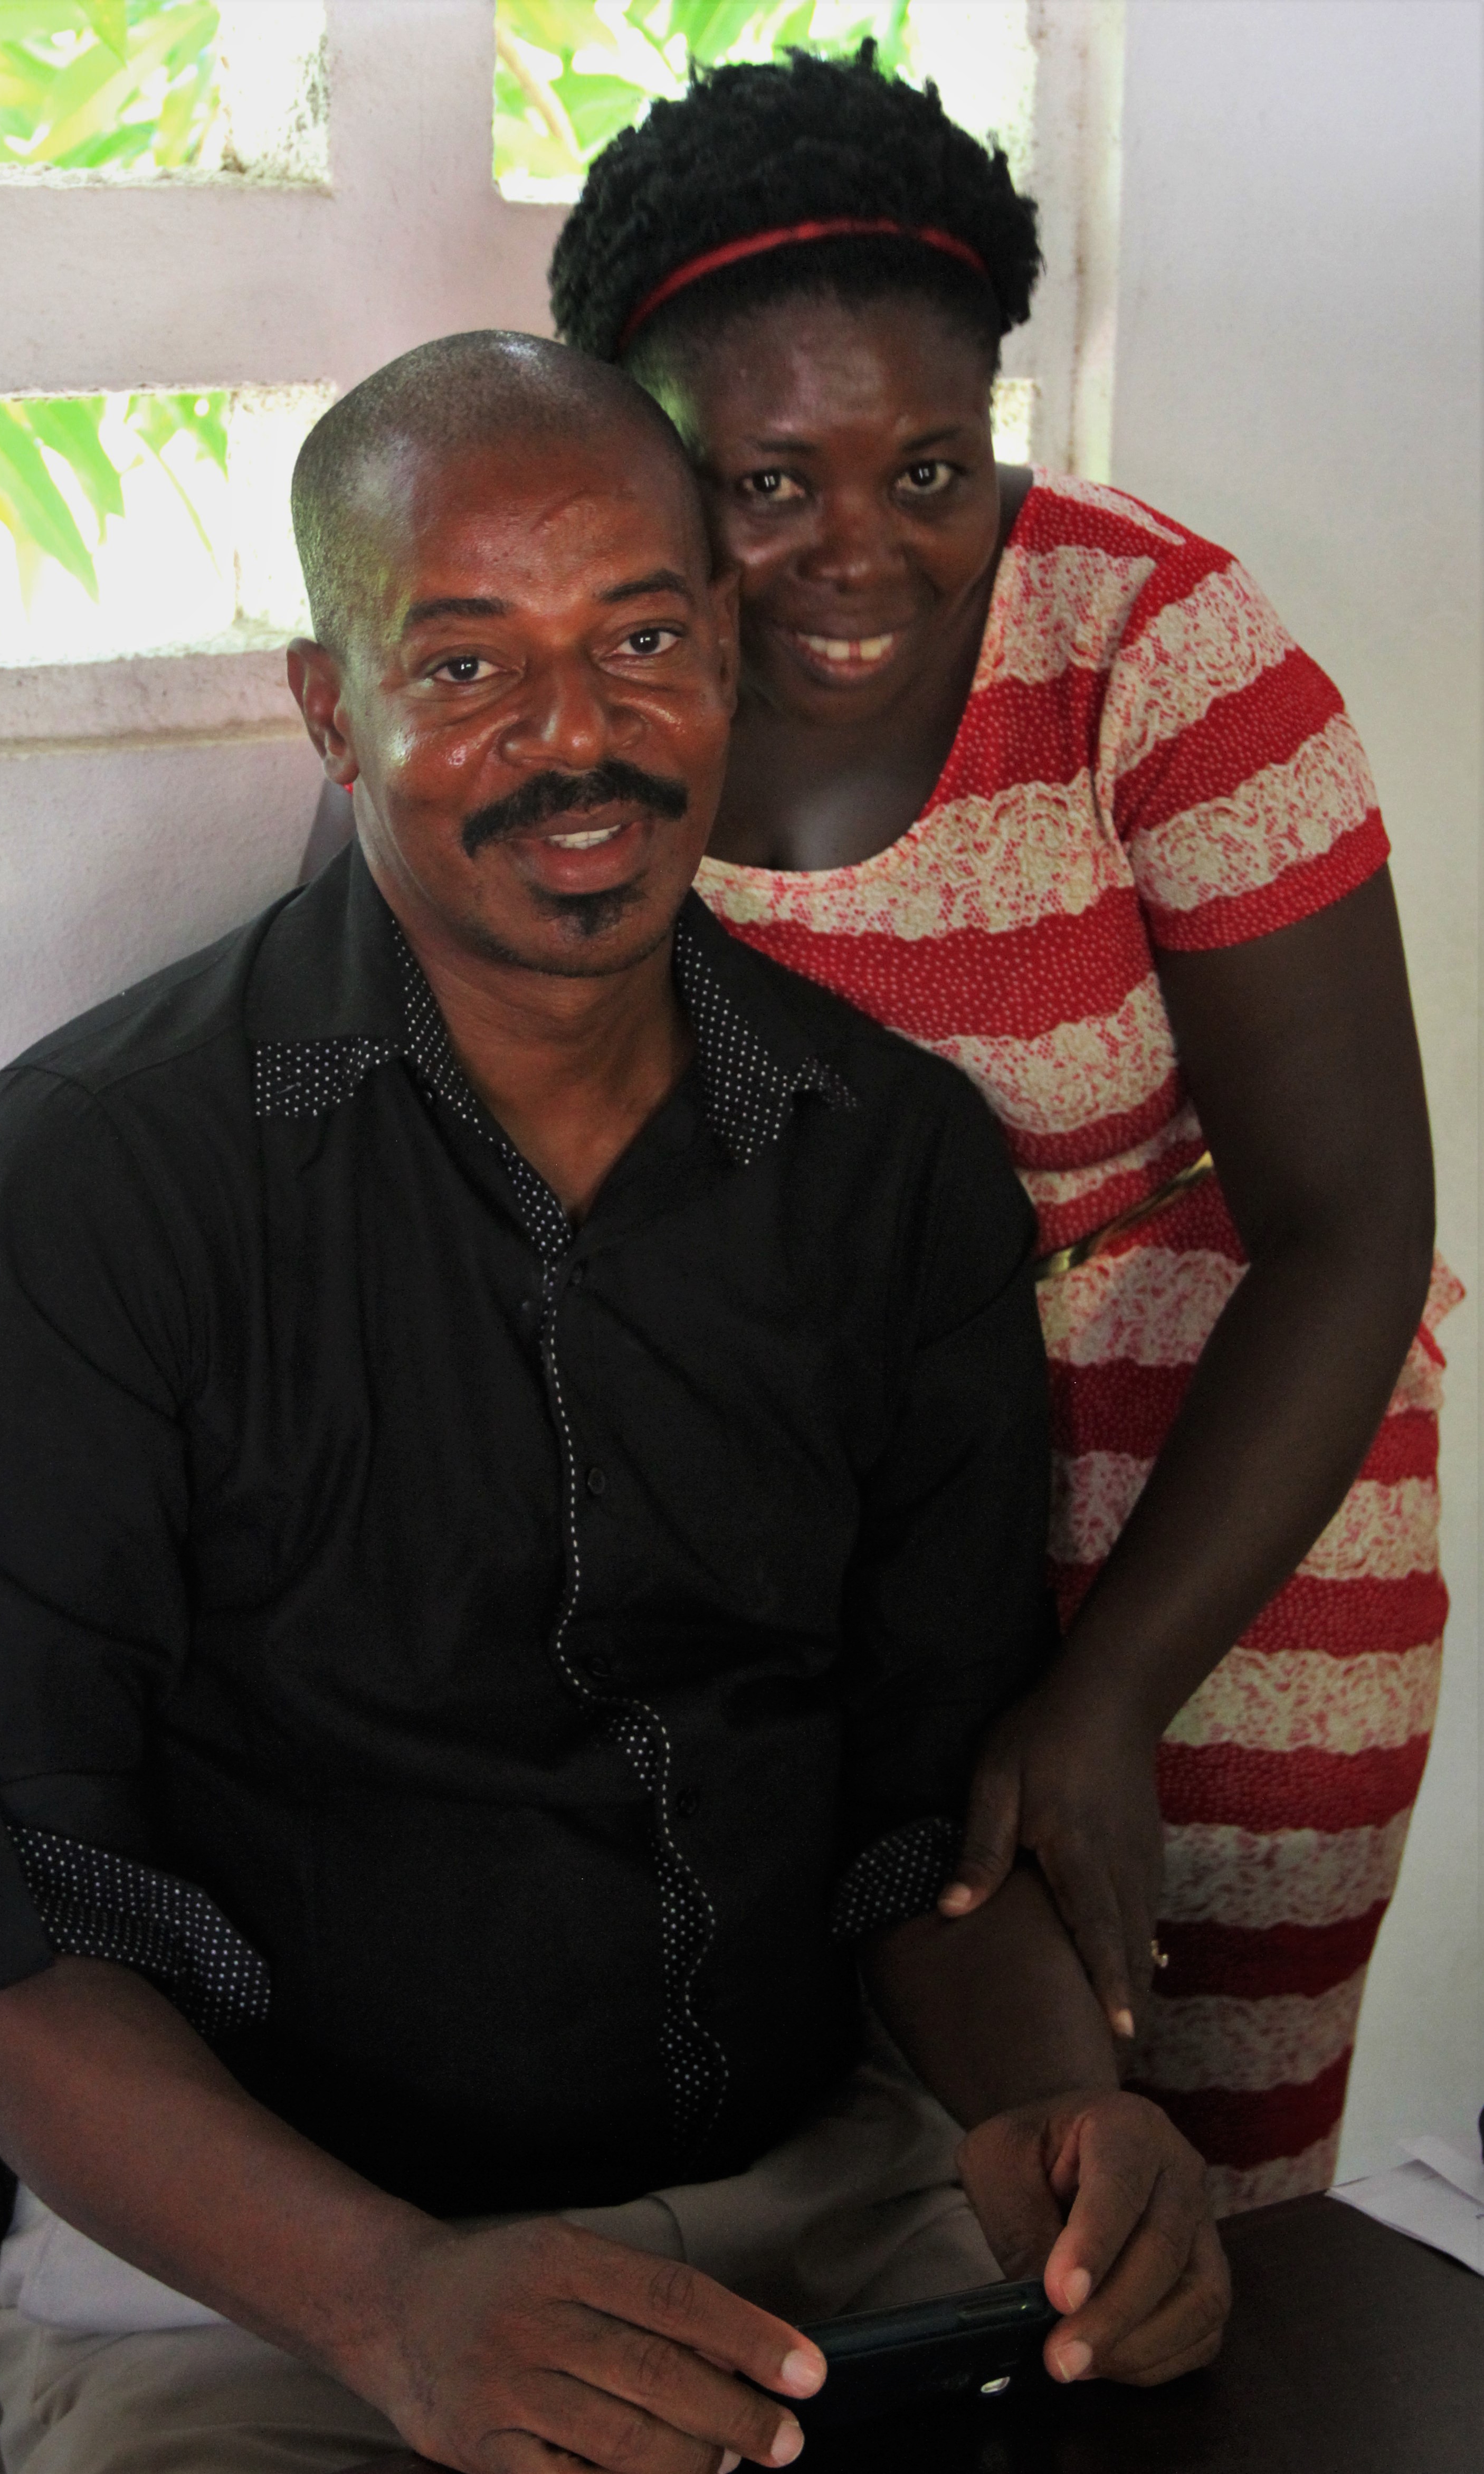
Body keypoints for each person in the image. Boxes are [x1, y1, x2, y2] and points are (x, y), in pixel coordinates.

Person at [0, 335, 1228, 2474]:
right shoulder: (95, 1187)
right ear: (333, 710)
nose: (575, 738)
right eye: (467, 664)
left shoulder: (890, 1165)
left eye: (641, 640)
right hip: (267, 2288)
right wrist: (390, 2302)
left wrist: (1066, 2117)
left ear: (728, 657)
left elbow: (920, 1818)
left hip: (825, 2224)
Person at [547, 44, 1456, 2213]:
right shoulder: (575, 676)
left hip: (1216, 1544)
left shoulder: (1156, 651)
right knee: (854, 2205)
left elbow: (1349, 1220)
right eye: (769, 482)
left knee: (1192, 2211)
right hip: (799, 1562)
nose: (861, 556)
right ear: (648, 451)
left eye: (933, 466)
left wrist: (1106, 1692)